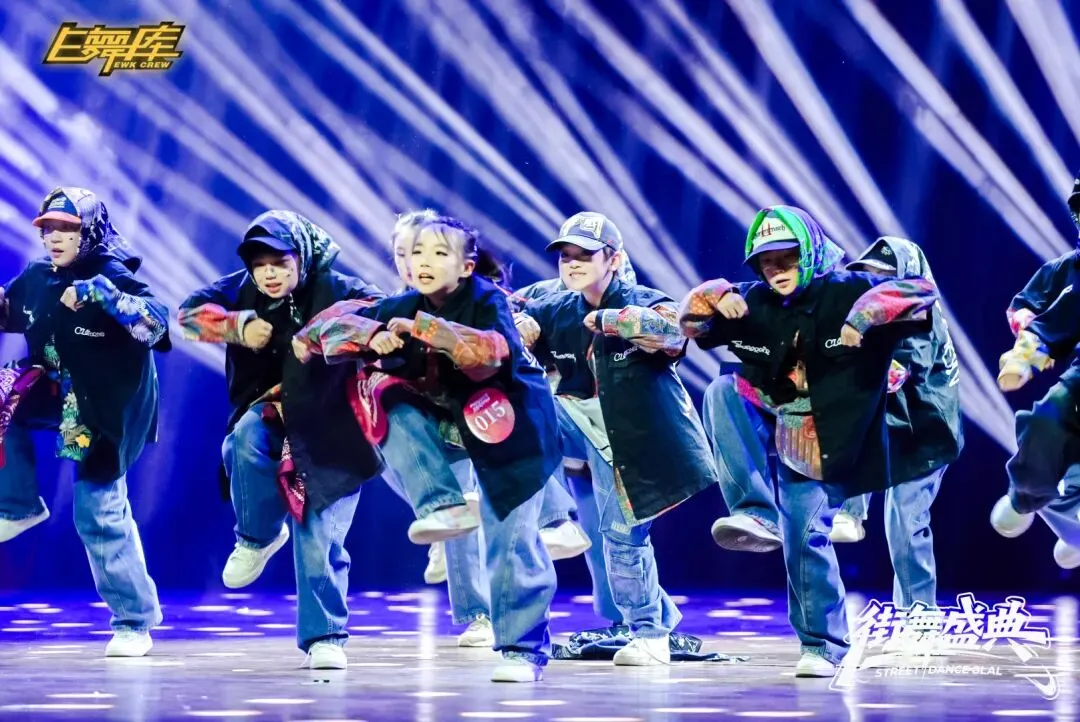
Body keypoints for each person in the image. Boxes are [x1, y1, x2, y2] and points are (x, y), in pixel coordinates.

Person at [298, 215, 559, 682]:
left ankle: (523, 651)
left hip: (514, 429)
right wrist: (368, 335)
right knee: (378, 389)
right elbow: (316, 333)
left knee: (511, 542)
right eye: (416, 251)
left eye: (439, 253)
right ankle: (442, 504)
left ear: (466, 267)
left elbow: (488, 354)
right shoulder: (402, 304)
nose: (423, 261)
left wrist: (425, 329)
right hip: (451, 428)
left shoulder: (487, 300)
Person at [680, 205, 938, 676]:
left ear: (811, 252)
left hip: (830, 438)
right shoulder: (754, 299)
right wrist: (714, 294)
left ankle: (823, 645)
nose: (777, 269)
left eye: (788, 257)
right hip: (776, 418)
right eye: (767, 261)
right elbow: (691, 325)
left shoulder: (848, 288)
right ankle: (755, 513)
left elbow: (921, 292)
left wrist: (865, 316)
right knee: (722, 389)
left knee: (804, 534)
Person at [178, 210, 385, 669]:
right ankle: (257, 537)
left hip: (334, 426)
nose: (269, 274)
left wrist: (326, 331)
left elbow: (382, 312)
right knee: (242, 441)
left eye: (280, 263)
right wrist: (236, 327)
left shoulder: (335, 287)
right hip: (272, 410)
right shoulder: (241, 290)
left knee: (317, 528)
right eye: (260, 265)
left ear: (302, 258)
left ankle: (325, 637)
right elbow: (186, 317)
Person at [517, 211, 718, 665]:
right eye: (565, 256)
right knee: (521, 403)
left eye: (584, 255)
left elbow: (673, 332)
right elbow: (504, 314)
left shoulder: (644, 301)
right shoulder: (555, 305)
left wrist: (617, 320)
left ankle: (650, 634)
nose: (572, 263)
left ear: (613, 259)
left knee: (622, 537)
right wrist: (518, 324)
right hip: (579, 429)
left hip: (637, 442)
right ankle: (555, 520)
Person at [0, 187, 168, 657]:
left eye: (67, 229)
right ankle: (17, 505)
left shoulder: (112, 274)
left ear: (89, 232)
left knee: (96, 511)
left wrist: (102, 295)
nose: (54, 238)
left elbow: (156, 328)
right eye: (48, 229)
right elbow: (11, 313)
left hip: (105, 406)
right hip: (54, 388)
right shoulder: (38, 276)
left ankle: (133, 621)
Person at [991, 172, 1080, 569]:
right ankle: (1026, 497)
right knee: (1045, 422)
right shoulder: (1067, 271)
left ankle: (1071, 528)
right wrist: (1025, 353)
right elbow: (1042, 316)